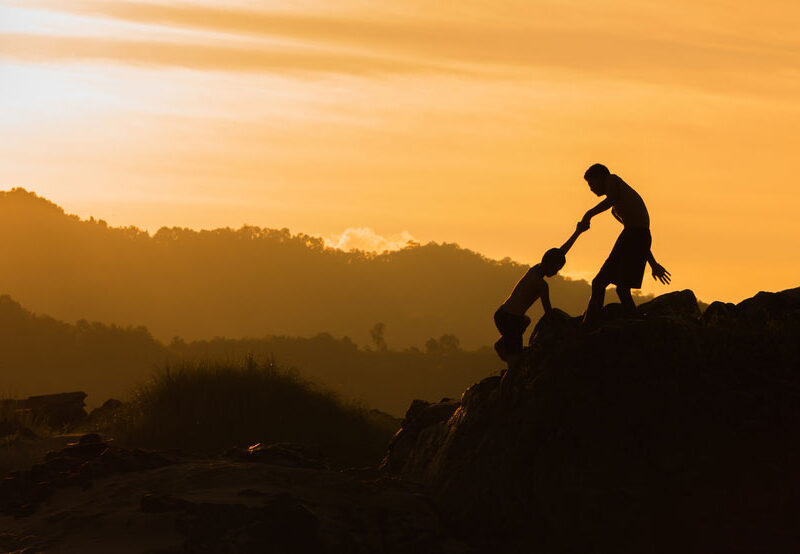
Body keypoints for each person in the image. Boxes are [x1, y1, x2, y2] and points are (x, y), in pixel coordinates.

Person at [579, 163, 670, 325]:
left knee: (619, 287)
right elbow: (639, 238)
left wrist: (589, 214)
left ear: (601, 177)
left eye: (592, 183)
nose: (591, 189)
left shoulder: (612, 179)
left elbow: (639, 235)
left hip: (635, 236)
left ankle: (630, 322)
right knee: (602, 283)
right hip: (631, 236)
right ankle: (591, 323)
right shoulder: (616, 210)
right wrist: (653, 263)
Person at [493, 222, 588, 361]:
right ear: (549, 265)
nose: (556, 273)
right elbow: (548, 312)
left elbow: (559, 253)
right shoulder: (541, 285)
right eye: (556, 269)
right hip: (510, 320)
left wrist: (577, 233)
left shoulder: (535, 269)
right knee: (516, 360)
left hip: (504, 314)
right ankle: (505, 352)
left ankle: (504, 343)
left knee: (526, 321)